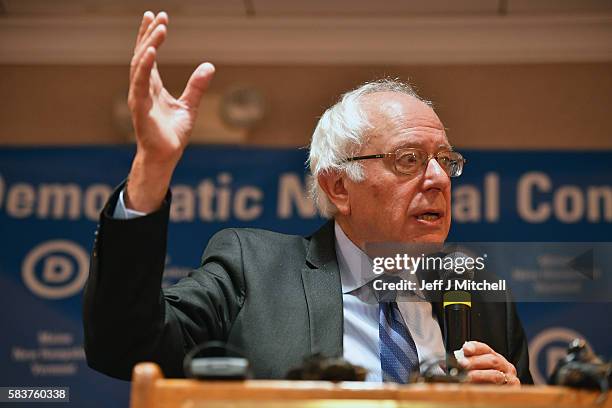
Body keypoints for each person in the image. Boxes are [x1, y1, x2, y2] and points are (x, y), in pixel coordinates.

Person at [83, 11, 532, 385]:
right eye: (409, 160)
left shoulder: (480, 296)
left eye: (444, 160)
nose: (438, 179)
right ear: (339, 187)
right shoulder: (252, 271)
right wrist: (153, 168)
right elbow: (124, 344)